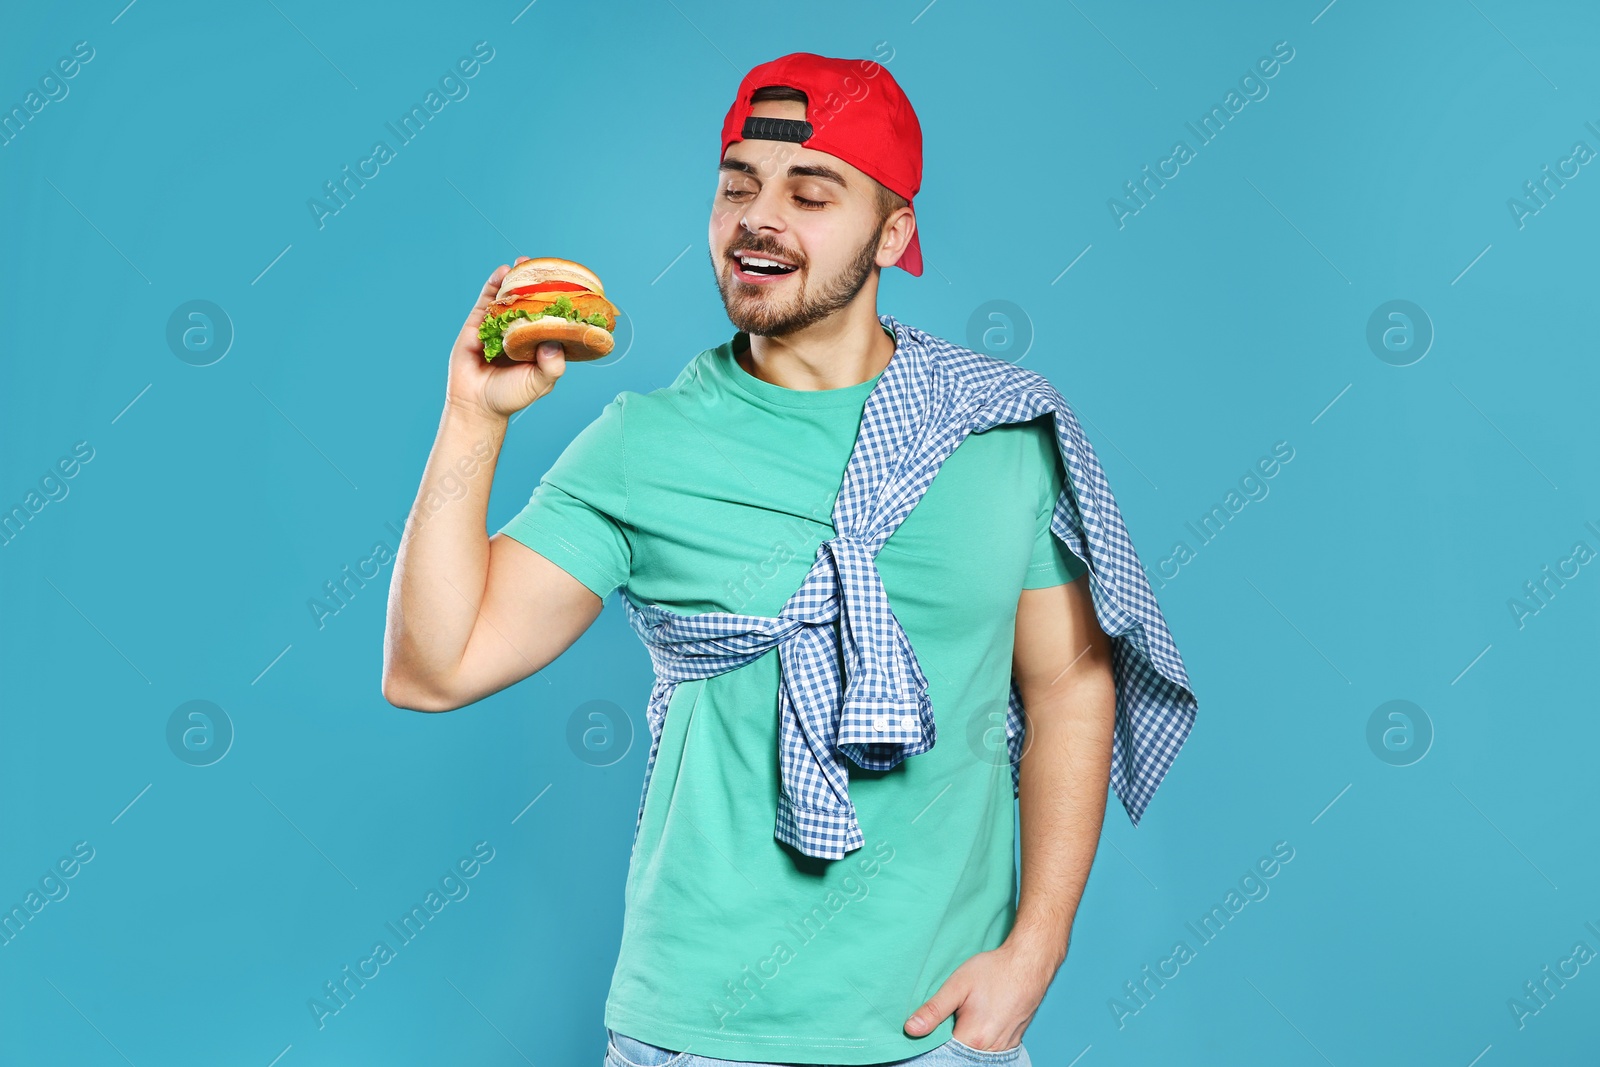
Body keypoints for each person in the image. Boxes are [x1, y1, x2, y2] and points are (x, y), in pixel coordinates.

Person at [384, 53, 1126, 1067]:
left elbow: (1072, 683)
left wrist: (1036, 947)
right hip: (694, 1034)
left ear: (893, 232)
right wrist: (471, 415)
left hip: (940, 1034)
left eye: (809, 193)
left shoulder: (995, 429)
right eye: (737, 186)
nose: (757, 217)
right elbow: (435, 666)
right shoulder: (645, 444)